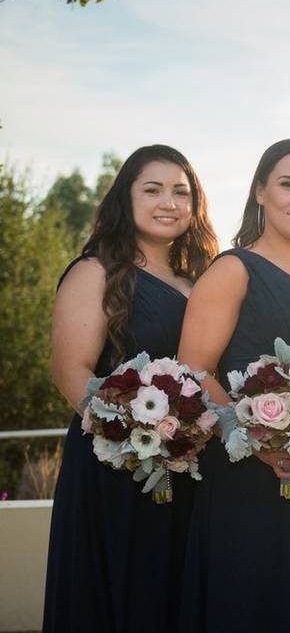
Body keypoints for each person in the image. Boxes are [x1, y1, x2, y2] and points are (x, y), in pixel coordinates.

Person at [176, 139, 290, 633]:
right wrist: (258, 440)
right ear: (260, 192)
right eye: (288, 184)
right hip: (253, 479)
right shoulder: (234, 269)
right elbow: (193, 372)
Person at [43, 145, 218, 633]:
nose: (169, 202)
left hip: (189, 466)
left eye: (181, 192)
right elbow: (70, 369)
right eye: (153, 189)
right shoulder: (95, 271)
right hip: (115, 468)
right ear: (127, 198)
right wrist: (132, 436)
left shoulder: (199, 280)